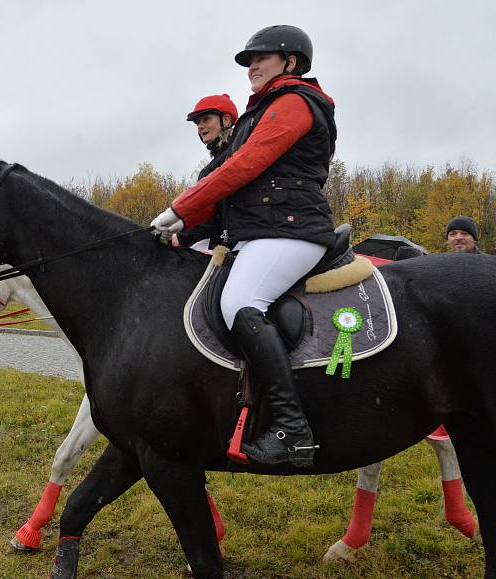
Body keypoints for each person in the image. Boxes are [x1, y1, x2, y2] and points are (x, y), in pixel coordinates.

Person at [151, 25, 336, 468]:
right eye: (249, 59)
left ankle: (294, 431)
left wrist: (181, 207)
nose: (251, 65)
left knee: (239, 303)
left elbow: (244, 166)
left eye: (262, 57)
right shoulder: (263, 109)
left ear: (290, 62)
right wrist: (183, 226)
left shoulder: (293, 103)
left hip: (291, 232)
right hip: (262, 233)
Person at [168, 94, 239, 250]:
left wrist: (182, 237)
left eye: (206, 119)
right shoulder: (217, 160)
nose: (200, 126)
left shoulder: (231, 158)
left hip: (233, 242)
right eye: (198, 122)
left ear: (226, 120)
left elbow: (214, 212)